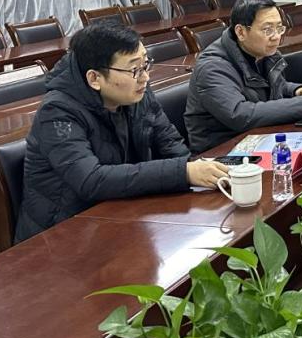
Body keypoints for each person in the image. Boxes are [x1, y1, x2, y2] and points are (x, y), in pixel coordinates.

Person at [15, 23, 228, 242]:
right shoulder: (57, 112)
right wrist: (184, 172)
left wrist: (203, 172)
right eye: (135, 69)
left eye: (145, 64)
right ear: (94, 79)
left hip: (121, 215)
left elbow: (171, 144)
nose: (145, 77)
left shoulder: (136, 92)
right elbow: (91, 180)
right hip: (61, 235)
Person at [185, 0, 302, 153]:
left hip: (260, 136)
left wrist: (297, 90)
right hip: (221, 152)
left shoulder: (261, 51)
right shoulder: (212, 67)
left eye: (279, 28)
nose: (276, 37)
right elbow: (240, 114)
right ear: (241, 32)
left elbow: (269, 86)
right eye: (267, 29)